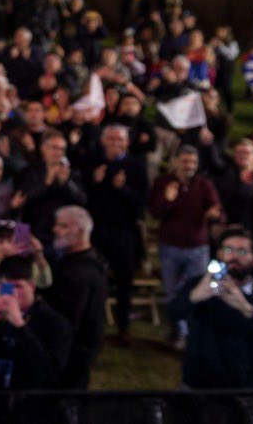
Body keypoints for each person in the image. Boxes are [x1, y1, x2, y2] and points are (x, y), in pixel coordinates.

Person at [168, 225, 253, 388]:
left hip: (243, 390)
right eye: (228, 249)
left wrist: (248, 310)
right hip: (197, 387)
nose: (234, 256)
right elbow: (173, 313)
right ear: (219, 254)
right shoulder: (200, 286)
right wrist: (193, 297)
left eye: (242, 252)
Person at [148, 145, 221, 349]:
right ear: (176, 161)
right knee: (172, 292)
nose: (189, 166)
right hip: (170, 247)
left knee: (196, 293)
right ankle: (179, 332)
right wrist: (167, 200)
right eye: (185, 161)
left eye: (193, 162)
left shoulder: (205, 186)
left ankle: (193, 333)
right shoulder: (163, 183)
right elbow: (154, 212)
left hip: (198, 248)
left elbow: (217, 210)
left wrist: (214, 215)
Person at [0, 255, 71, 391]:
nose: (13, 294)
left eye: (18, 286)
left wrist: (20, 326)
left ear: (32, 286)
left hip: (32, 401)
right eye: (7, 287)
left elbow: (50, 370)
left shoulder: (55, 323)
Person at [84, 123, 147, 345]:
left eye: (120, 139)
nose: (115, 143)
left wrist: (123, 189)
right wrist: (95, 183)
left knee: (124, 282)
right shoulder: (92, 164)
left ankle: (123, 327)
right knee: (94, 281)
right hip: (97, 231)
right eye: (111, 139)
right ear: (103, 141)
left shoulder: (137, 166)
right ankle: (93, 326)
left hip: (124, 233)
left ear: (127, 142)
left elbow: (141, 203)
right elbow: (84, 199)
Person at [44, 205, 108, 388]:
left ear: (80, 232)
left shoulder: (76, 274)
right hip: (83, 351)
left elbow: (66, 320)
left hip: (71, 355)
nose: (55, 230)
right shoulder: (92, 260)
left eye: (63, 226)